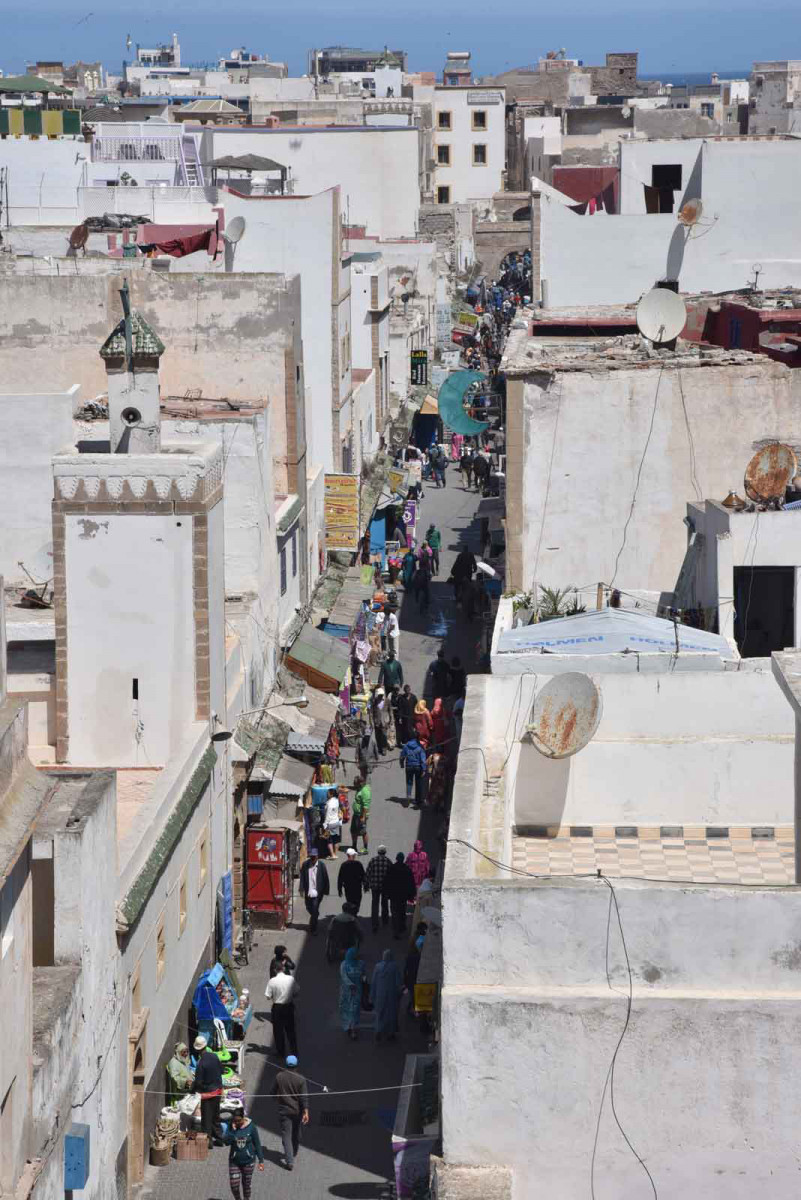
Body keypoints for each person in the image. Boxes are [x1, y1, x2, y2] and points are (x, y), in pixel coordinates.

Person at [271, 1056, 309, 1173]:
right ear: (296, 1066)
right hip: (297, 1111)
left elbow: (272, 1092)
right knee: (296, 1131)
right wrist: (306, 1111)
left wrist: (277, 1098)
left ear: (286, 1065)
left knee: (286, 1135)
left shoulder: (279, 1077)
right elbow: (303, 1098)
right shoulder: (301, 1079)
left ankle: (289, 1161)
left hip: (284, 1111)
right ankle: (294, 1151)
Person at [223, 1111, 265, 1200]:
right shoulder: (231, 1126)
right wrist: (233, 1132)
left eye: (239, 1121)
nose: (237, 1123)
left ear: (243, 1117)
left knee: (246, 1185)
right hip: (234, 1161)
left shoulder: (251, 1127)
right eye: (235, 1121)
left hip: (249, 1161)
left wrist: (261, 1160)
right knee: (234, 1185)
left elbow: (257, 1144)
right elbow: (226, 1142)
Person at [192, 1035, 224, 1144]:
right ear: (205, 1046)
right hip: (218, 1091)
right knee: (216, 1116)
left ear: (197, 1049)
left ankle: (208, 1142)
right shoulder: (214, 1056)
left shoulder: (200, 1064)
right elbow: (221, 1070)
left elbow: (199, 1082)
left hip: (208, 1094)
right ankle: (220, 1138)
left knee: (206, 1119)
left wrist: (194, 1089)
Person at [265, 961, 299, 1058]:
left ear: (275, 970)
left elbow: (268, 996)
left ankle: (281, 1052)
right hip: (288, 1007)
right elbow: (296, 992)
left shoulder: (272, 981)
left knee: (278, 1031)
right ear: (283, 968)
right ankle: (294, 1051)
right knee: (291, 1030)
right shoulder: (291, 979)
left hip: (277, 1008)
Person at [370, 949, 403, 1041]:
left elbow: (374, 982)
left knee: (380, 1013)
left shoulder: (377, 967)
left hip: (379, 995)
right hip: (391, 995)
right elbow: (398, 982)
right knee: (391, 1014)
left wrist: (372, 996)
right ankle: (390, 1033)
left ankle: (378, 1030)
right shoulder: (394, 966)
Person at [384, 852, 416, 938]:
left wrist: (387, 894)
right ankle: (401, 927)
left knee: (394, 912)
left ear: (396, 858)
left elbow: (387, 882)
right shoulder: (407, 869)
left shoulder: (391, 868)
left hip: (394, 895)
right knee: (402, 911)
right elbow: (411, 883)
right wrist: (412, 894)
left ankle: (396, 930)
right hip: (403, 895)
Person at [299, 847, 329, 934]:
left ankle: (313, 929)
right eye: (311, 856)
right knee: (309, 907)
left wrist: (326, 890)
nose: (313, 858)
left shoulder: (322, 866)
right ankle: (315, 915)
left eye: (314, 857)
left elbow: (325, 878)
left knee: (315, 909)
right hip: (308, 891)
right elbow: (302, 878)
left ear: (317, 857)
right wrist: (301, 889)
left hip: (317, 893)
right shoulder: (305, 865)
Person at [339, 946, 366, 1040]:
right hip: (346, 992)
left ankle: (353, 1029)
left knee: (354, 1010)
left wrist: (364, 982)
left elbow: (364, 975)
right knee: (346, 1009)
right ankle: (348, 1026)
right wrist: (351, 984)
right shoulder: (344, 965)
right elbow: (344, 976)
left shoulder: (361, 964)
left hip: (357, 992)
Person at [366, 845, 391, 932]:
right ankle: (385, 921)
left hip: (375, 886)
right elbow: (391, 874)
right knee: (384, 904)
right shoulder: (388, 861)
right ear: (385, 852)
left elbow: (368, 873)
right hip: (385, 887)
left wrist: (367, 884)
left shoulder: (373, 860)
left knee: (375, 904)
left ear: (378, 852)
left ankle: (375, 923)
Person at [338, 847, 367, 914]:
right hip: (357, 888)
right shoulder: (358, 864)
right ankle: (354, 914)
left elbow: (340, 878)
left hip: (348, 889)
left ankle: (352, 915)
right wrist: (365, 886)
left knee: (350, 902)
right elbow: (363, 876)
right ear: (353, 855)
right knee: (357, 903)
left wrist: (339, 889)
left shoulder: (344, 865)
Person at [351, 776, 371, 855]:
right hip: (356, 814)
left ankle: (365, 849)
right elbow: (354, 788)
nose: (354, 785)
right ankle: (354, 846)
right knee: (353, 831)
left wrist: (363, 816)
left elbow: (366, 806)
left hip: (361, 816)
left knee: (363, 832)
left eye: (355, 784)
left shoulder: (365, 791)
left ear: (360, 783)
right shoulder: (360, 788)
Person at [323, 788, 342, 859]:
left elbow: (327, 815)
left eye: (328, 793)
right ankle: (335, 854)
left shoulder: (329, 803)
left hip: (330, 823)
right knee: (336, 840)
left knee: (329, 840)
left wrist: (325, 825)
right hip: (336, 822)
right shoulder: (336, 801)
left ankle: (332, 855)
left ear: (331, 794)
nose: (327, 794)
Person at [372, 687, 391, 757]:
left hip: (384, 722)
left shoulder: (387, 701)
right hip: (377, 722)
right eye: (379, 695)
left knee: (384, 736)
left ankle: (384, 749)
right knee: (378, 736)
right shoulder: (375, 701)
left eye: (381, 695)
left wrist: (391, 720)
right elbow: (372, 712)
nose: (380, 696)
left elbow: (390, 711)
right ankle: (379, 748)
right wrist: (372, 721)